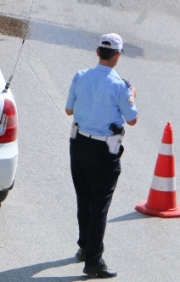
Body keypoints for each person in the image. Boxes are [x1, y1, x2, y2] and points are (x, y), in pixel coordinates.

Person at [65, 33, 138, 279]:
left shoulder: (80, 76)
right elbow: (132, 119)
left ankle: (85, 247)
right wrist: (132, 97)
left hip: (79, 144)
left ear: (98, 52)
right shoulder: (121, 86)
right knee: (100, 206)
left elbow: (68, 109)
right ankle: (94, 261)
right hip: (104, 151)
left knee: (83, 197)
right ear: (117, 56)